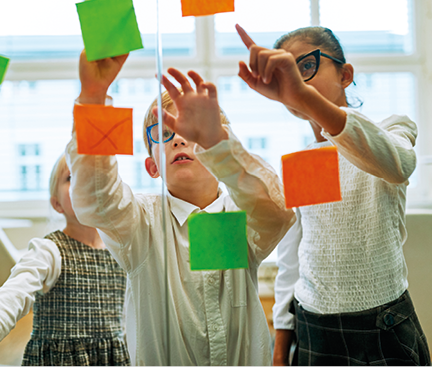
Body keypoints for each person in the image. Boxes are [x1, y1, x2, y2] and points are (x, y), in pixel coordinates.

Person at [65, 50, 295, 365]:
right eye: (163, 134)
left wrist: (218, 143)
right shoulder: (139, 223)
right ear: (152, 166)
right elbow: (96, 198)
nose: (178, 140)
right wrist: (93, 98)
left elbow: (279, 213)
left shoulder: (242, 217)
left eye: (191, 131)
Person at [235, 24, 430, 366]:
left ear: (345, 75)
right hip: (314, 328)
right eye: (287, 75)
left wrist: (304, 96)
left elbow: (398, 163)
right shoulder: (304, 162)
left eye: (306, 66)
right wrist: (280, 350)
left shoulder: (392, 128)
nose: (297, 81)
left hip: (382, 325)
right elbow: (292, 261)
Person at [0, 154, 129, 366]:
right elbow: (8, 300)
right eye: (71, 176)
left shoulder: (122, 251)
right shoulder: (50, 251)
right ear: (57, 204)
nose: (84, 180)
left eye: (93, 175)